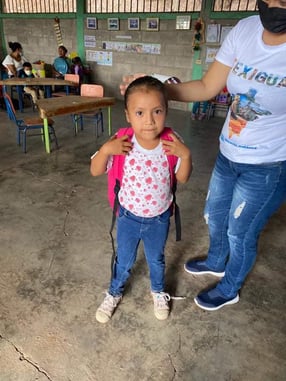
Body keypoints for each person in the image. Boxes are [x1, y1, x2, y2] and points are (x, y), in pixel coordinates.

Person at [120, 0, 286, 311]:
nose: (275, 5)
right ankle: (216, 260)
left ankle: (230, 286)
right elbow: (207, 86)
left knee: (242, 233)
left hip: (269, 165)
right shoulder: (246, 29)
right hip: (229, 153)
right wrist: (152, 89)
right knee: (215, 215)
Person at [91, 76, 192, 323]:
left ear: (166, 111)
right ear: (127, 115)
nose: (149, 120)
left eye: (157, 111)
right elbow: (95, 170)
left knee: (156, 259)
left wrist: (186, 155)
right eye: (139, 112)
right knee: (124, 259)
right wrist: (105, 150)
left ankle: (158, 291)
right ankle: (114, 292)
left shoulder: (172, 141)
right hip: (127, 216)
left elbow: (183, 177)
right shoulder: (122, 141)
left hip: (159, 218)